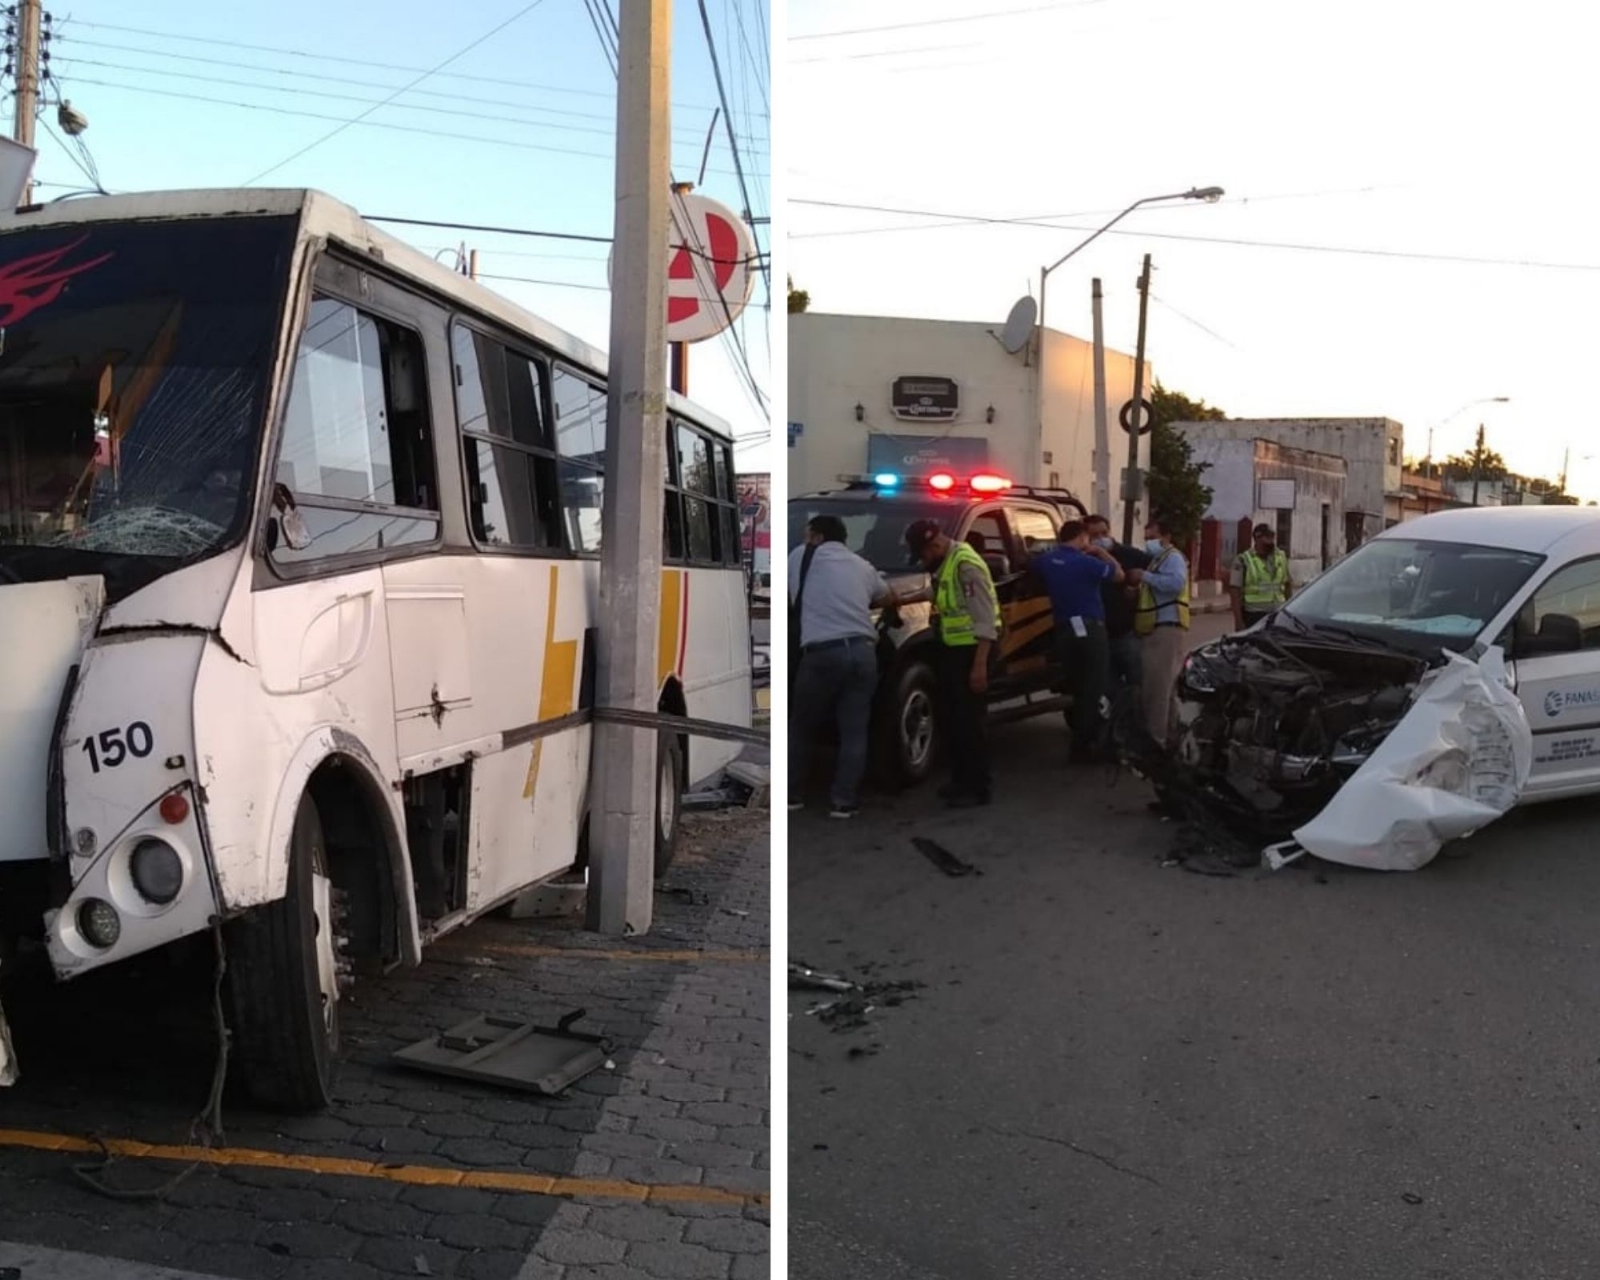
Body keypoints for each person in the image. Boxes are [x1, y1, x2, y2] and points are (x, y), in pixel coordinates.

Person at [787, 514, 894, 818]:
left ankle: (792, 795)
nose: (805, 540)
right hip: (862, 652)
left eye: (807, 535)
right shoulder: (863, 566)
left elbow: (786, 596)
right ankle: (844, 802)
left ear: (817, 536)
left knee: (802, 726)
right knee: (854, 729)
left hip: (822, 653)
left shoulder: (799, 557)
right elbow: (888, 597)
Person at [900, 518, 1001, 807]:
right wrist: (900, 599)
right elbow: (937, 593)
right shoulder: (948, 564)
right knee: (955, 719)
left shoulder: (966, 566)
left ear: (936, 544)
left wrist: (979, 666)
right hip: (956, 651)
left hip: (973, 652)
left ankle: (977, 787)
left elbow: (984, 620)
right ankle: (960, 780)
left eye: (924, 554)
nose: (923, 560)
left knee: (970, 723)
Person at [1033, 520, 1124, 762]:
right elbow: (1119, 575)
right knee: (1093, 689)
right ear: (1082, 537)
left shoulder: (1047, 561)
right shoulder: (1087, 563)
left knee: (1078, 688)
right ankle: (1086, 747)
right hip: (1091, 631)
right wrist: (1102, 552)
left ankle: (1082, 742)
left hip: (1063, 632)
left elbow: (1032, 566)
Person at [1132, 512, 1191, 747]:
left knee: (1157, 690)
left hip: (1166, 629)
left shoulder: (1173, 558)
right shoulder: (1160, 559)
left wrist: (1144, 577)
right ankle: (1171, 736)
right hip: (1158, 628)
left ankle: (1156, 741)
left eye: (1152, 535)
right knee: (1164, 688)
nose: (1148, 539)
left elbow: (1176, 584)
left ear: (1166, 536)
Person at [1083, 513, 1151, 704]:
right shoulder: (1085, 558)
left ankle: (1140, 727)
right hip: (1100, 636)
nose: (1100, 538)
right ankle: (1117, 726)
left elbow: (1158, 574)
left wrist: (1137, 586)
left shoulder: (1129, 554)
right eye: (1094, 535)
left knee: (1139, 683)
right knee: (1108, 689)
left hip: (1127, 633)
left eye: (1103, 533)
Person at [1230, 522, 1292, 631]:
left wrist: (1289, 611)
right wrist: (1238, 621)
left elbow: (1288, 584)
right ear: (1257, 538)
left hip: (1278, 614)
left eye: (1272, 537)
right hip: (1254, 615)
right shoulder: (1243, 560)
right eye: (1267, 537)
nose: (1271, 541)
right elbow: (1235, 591)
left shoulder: (1280, 556)